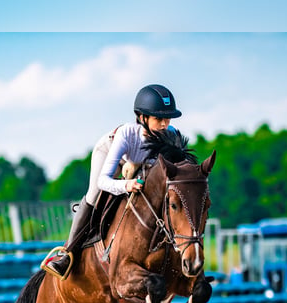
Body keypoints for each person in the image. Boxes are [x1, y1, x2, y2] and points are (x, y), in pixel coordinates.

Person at [42, 84, 182, 280]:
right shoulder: (127, 134)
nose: (164, 125)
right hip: (110, 153)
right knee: (93, 194)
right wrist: (126, 185)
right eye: (158, 119)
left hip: (139, 163)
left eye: (167, 119)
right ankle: (67, 253)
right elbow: (103, 181)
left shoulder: (171, 135)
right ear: (142, 117)